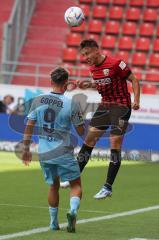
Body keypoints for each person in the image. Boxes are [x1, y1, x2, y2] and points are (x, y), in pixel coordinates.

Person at [75, 39, 140, 199]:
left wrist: (136, 100)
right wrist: (86, 85)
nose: (85, 57)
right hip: (105, 106)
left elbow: (134, 80)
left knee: (114, 144)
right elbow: (101, 85)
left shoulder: (116, 63)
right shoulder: (92, 69)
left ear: (97, 50)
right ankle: (73, 177)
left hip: (121, 106)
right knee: (89, 140)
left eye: (87, 53)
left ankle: (107, 187)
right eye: (83, 55)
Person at [22, 67, 84, 233]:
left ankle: (53, 223)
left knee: (53, 186)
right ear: (65, 83)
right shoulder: (72, 103)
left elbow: (29, 126)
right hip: (63, 151)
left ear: (51, 82)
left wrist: (26, 148)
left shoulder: (38, 100)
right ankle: (72, 211)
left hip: (44, 152)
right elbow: (80, 131)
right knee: (76, 185)